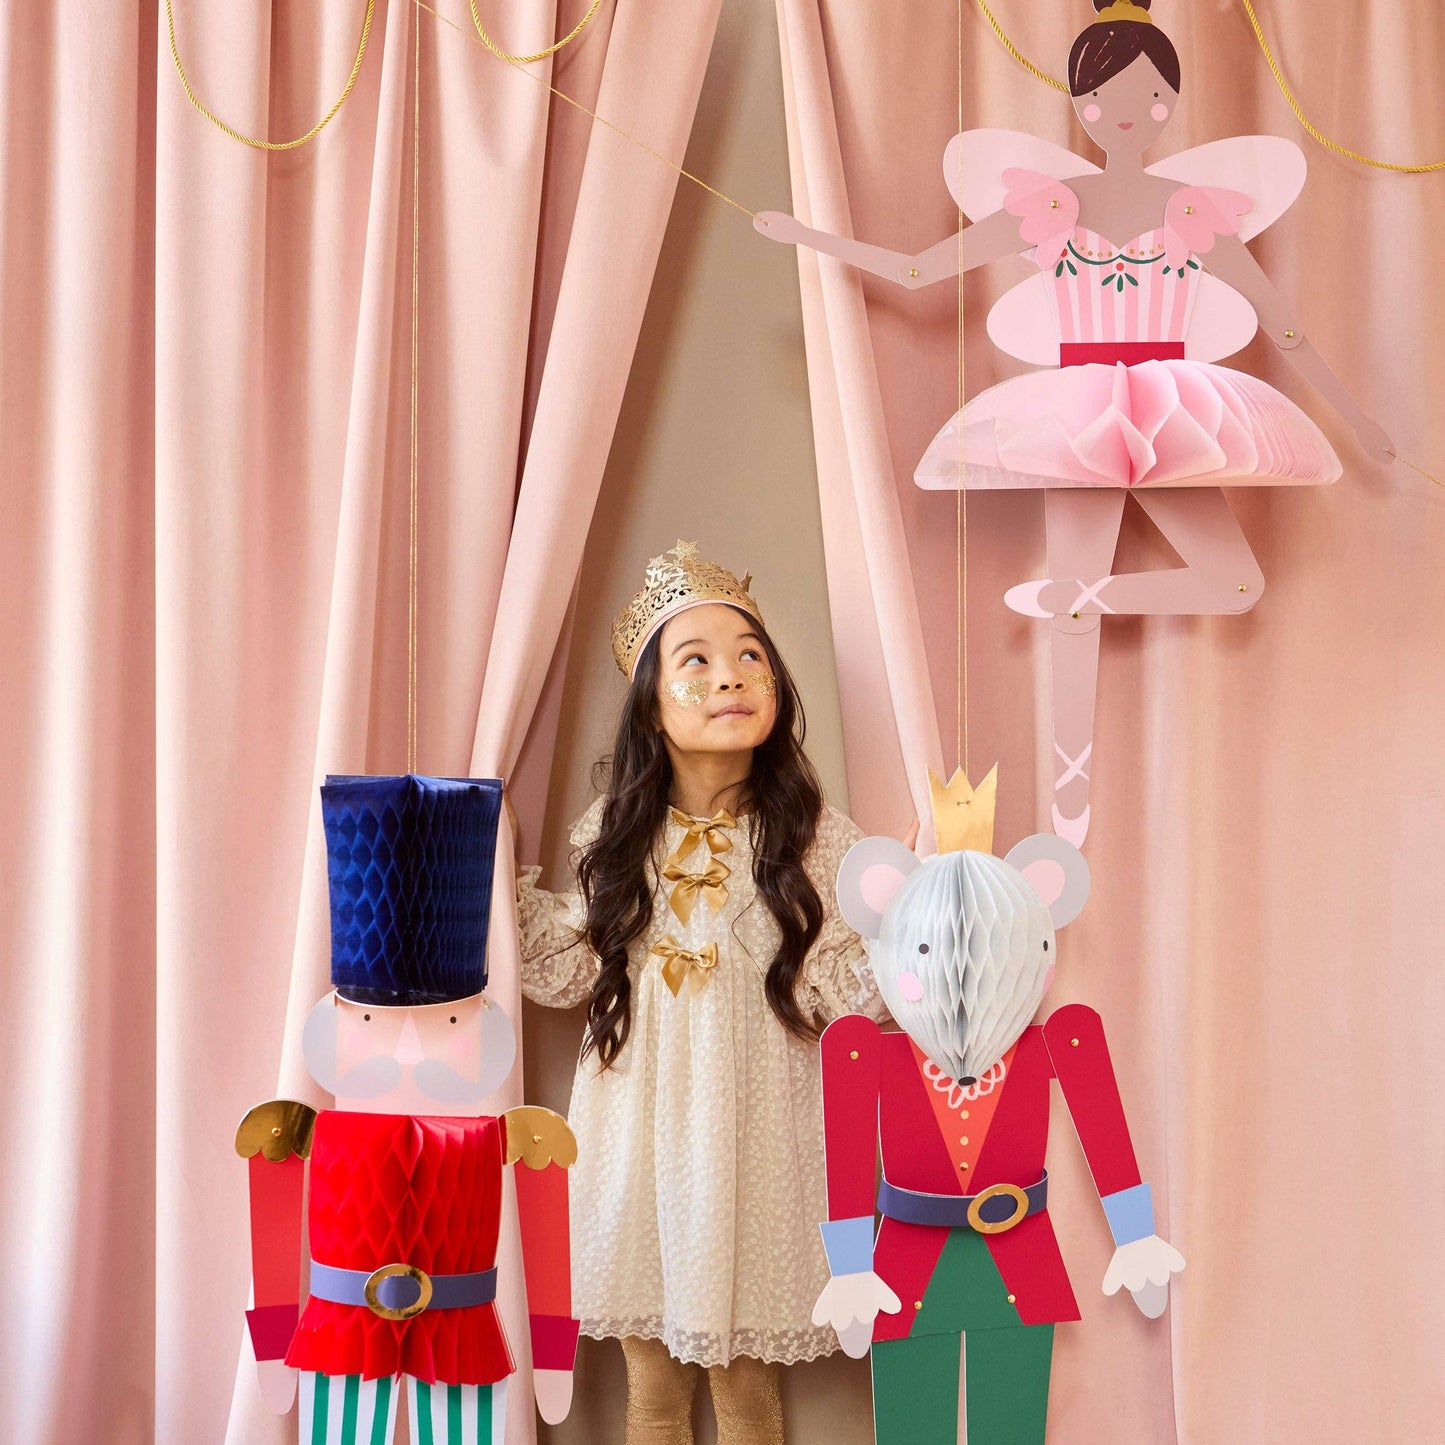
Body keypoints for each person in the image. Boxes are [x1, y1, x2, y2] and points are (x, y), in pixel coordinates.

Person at [755, 0, 1393, 847]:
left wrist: (1353, 416)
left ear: (1169, 103)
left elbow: (1280, 323)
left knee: (1233, 583)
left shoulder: (1189, 208)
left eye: (1148, 98)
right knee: (1075, 620)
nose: (1126, 114)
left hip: (1171, 400)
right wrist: (808, 235)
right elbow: (916, 272)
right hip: (1077, 406)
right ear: (1080, 105)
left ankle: (1082, 596)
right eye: (1103, 99)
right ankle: (1069, 801)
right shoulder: (1052, 205)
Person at [516, 540, 887, 1445]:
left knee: (749, 1395)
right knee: (651, 1394)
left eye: (750, 654)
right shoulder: (613, 833)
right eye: (698, 659)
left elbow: (849, 986)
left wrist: (920, 909)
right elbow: (566, 967)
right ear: (650, 701)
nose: (731, 675)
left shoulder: (815, 836)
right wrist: (491, 880)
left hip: (758, 1137)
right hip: (639, 1132)